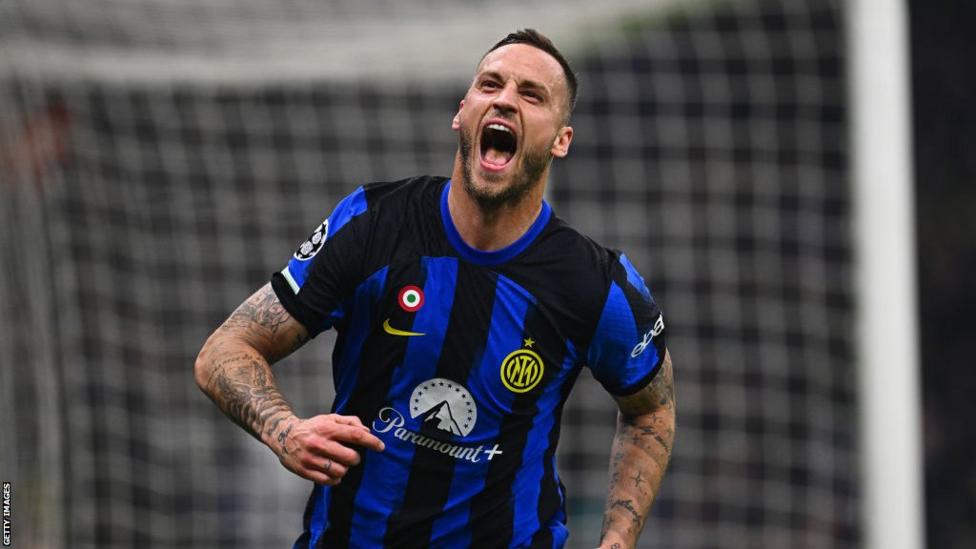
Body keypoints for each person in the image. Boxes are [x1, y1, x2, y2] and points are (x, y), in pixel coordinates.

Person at [195, 29, 675, 549]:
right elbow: (224, 349)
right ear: (462, 112)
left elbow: (651, 409)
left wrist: (617, 540)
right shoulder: (374, 223)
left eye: (531, 94)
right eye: (490, 84)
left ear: (562, 140)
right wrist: (284, 429)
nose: (505, 99)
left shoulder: (595, 283)